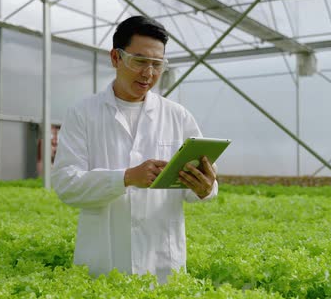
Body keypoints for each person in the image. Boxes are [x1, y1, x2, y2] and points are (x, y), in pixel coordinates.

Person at [51, 15, 218, 283]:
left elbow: (202, 185)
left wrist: (205, 188)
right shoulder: (83, 114)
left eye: (157, 64)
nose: (148, 73)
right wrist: (126, 178)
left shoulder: (178, 116)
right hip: (103, 264)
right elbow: (66, 184)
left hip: (162, 264)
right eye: (139, 61)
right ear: (116, 58)